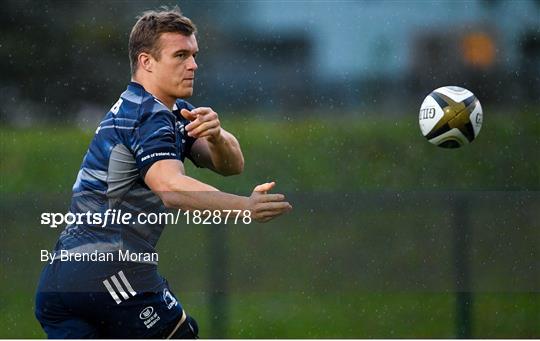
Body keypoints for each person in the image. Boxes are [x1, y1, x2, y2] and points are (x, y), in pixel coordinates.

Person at [35, 7, 291, 339]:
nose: (193, 65)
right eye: (181, 55)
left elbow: (231, 166)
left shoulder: (158, 110)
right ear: (146, 62)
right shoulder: (149, 116)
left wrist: (216, 135)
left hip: (61, 280)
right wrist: (246, 207)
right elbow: (169, 187)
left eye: (194, 55)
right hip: (110, 272)